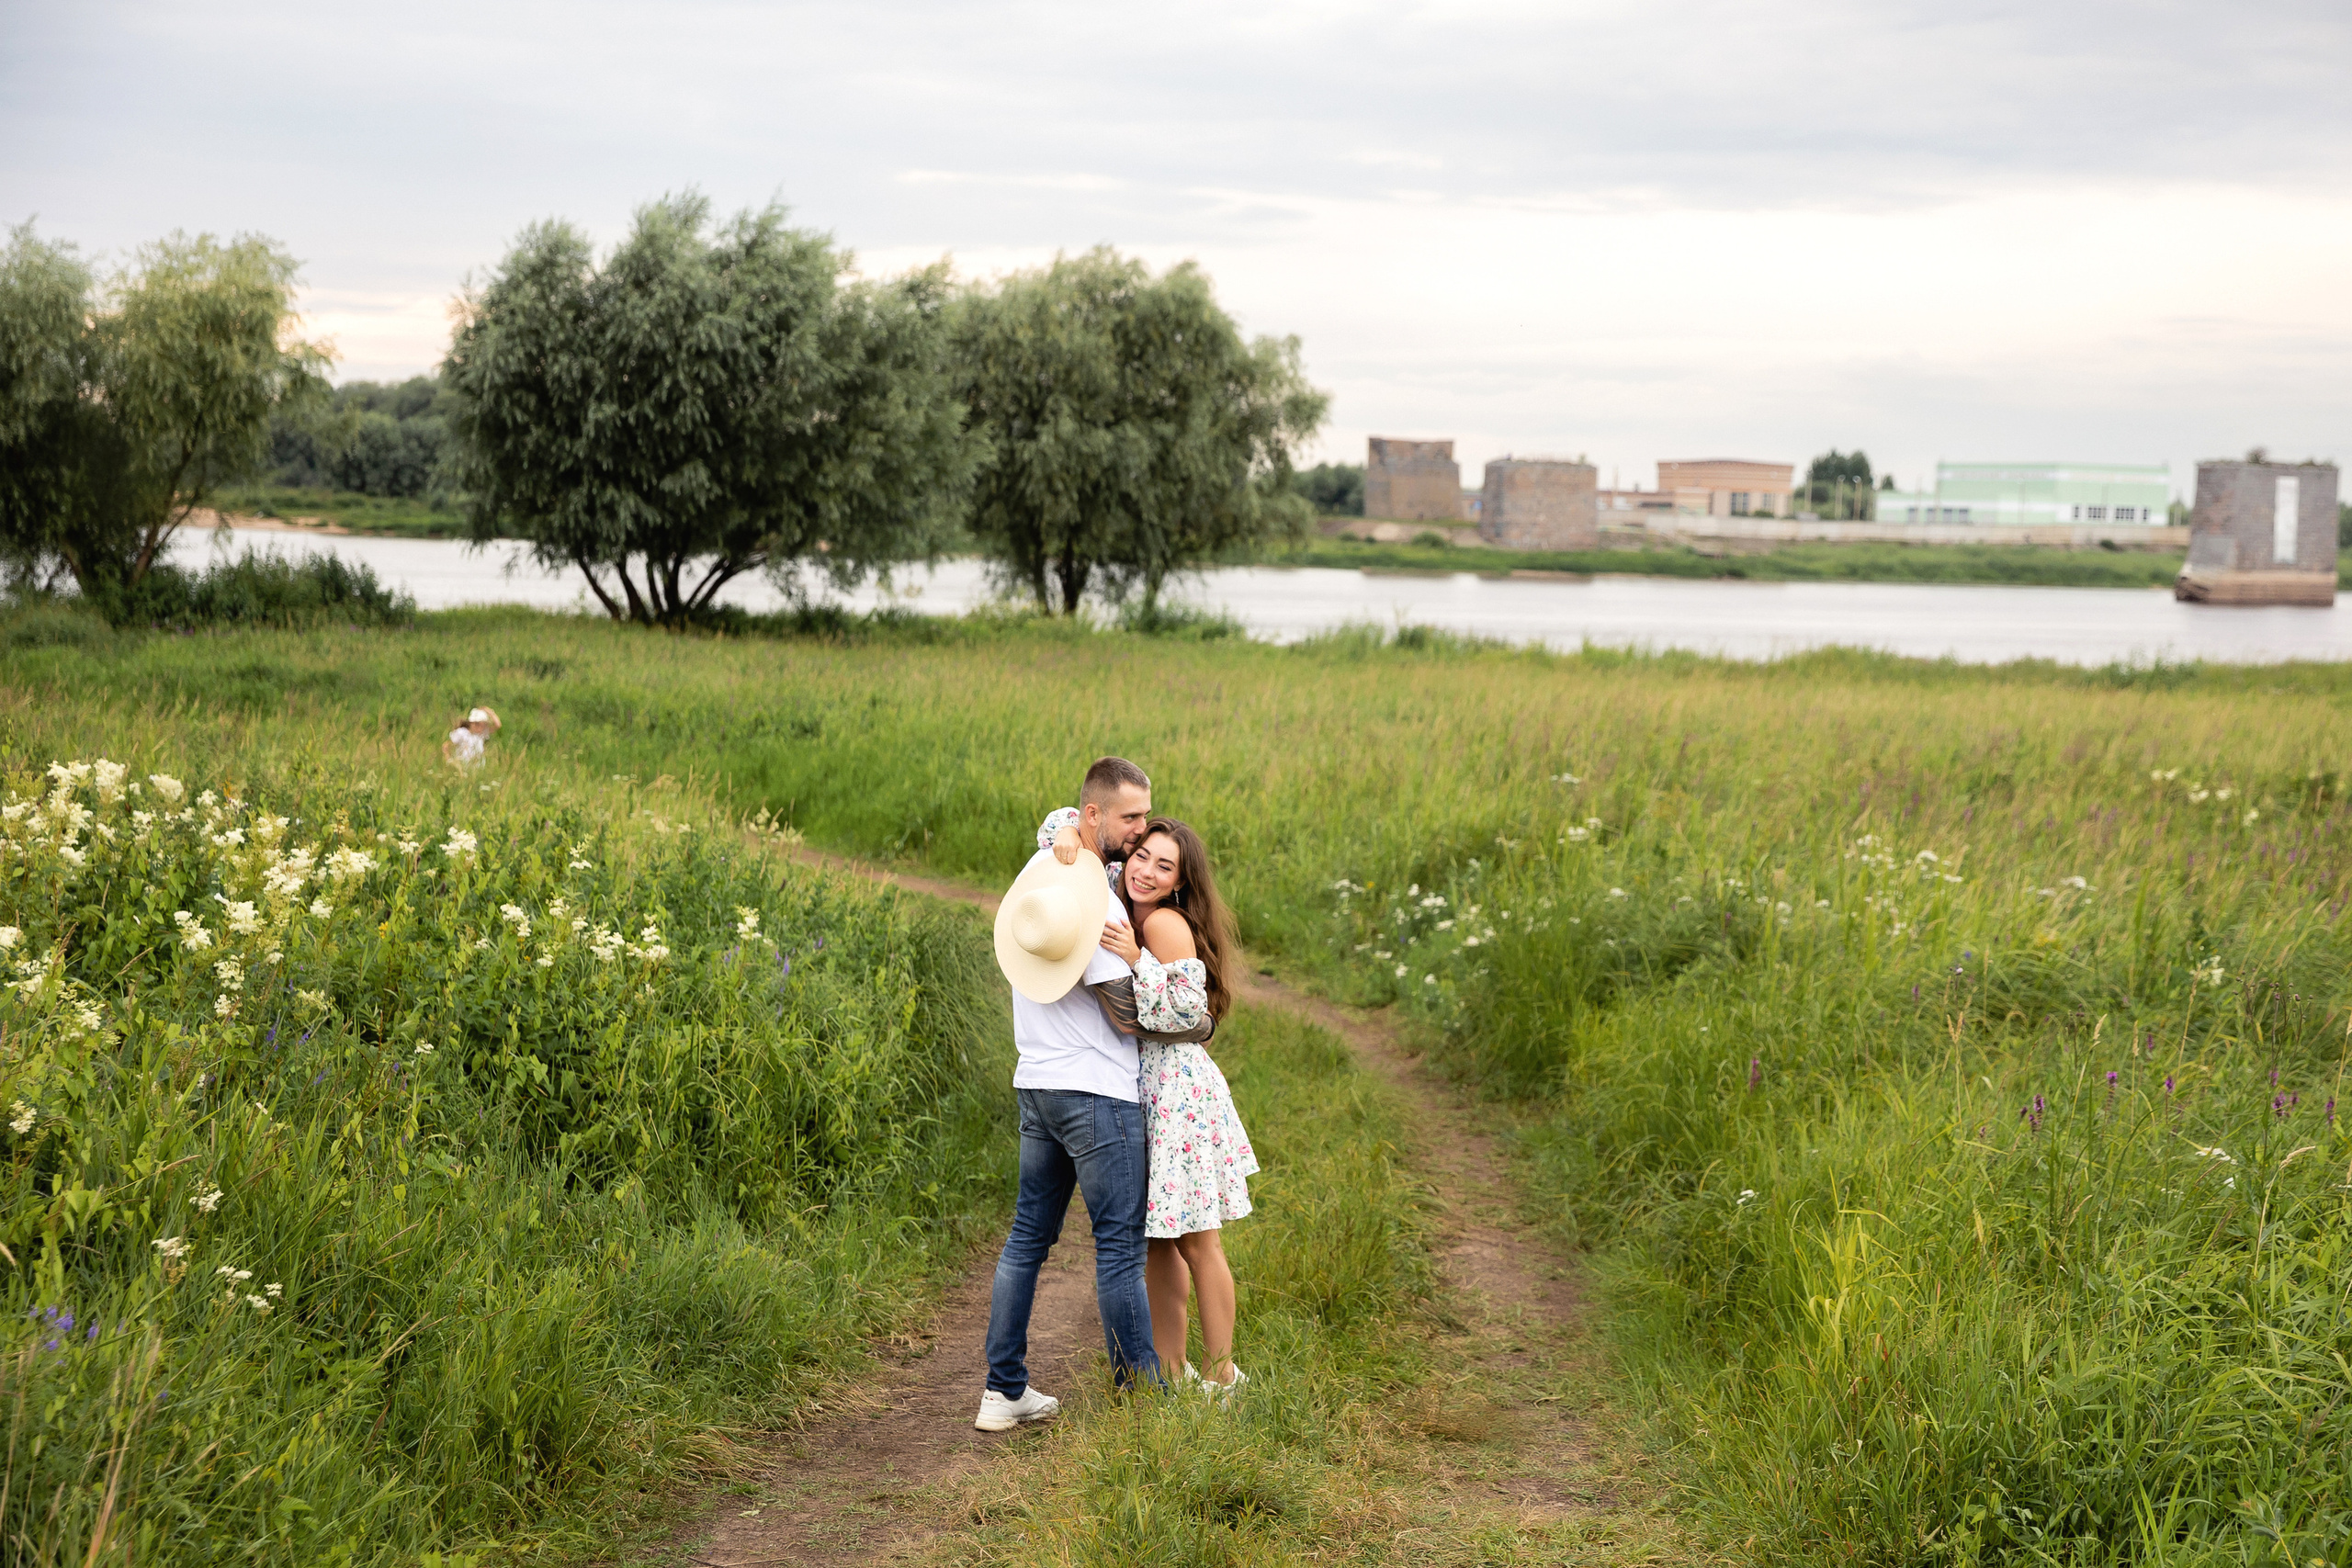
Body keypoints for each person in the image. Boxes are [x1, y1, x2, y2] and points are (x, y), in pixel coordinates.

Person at [978, 758, 1212, 1433]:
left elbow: (1054, 829)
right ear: (1094, 816)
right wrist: (1198, 1021)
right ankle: (1142, 1398)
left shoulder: (1039, 873)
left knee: (1027, 1237)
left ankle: (1003, 1390)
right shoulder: (1099, 901)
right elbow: (1122, 1011)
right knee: (1117, 1246)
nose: (1141, 829)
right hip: (1098, 1094)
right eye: (1132, 817)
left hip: (1036, 1084)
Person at [1048, 812, 1257, 1393]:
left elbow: (1192, 1015)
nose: (1146, 871)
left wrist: (1137, 958)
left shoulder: (1163, 924)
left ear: (1178, 883)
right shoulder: (1118, 890)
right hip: (1144, 1086)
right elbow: (1071, 826)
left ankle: (1222, 1376)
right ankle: (1170, 1367)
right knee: (1159, 1237)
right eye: (1142, 856)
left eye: (1164, 867)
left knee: (1197, 1240)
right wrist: (1066, 831)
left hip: (1177, 1090)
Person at [442, 706, 501, 771]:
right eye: (480, 724)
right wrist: (449, 761)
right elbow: (446, 746)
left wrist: (490, 712)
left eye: (484, 725)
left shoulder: (481, 734)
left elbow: (497, 725)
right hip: (463, 768)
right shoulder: (462, 732)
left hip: (477, 769)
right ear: (472, 723)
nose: (482, 727)